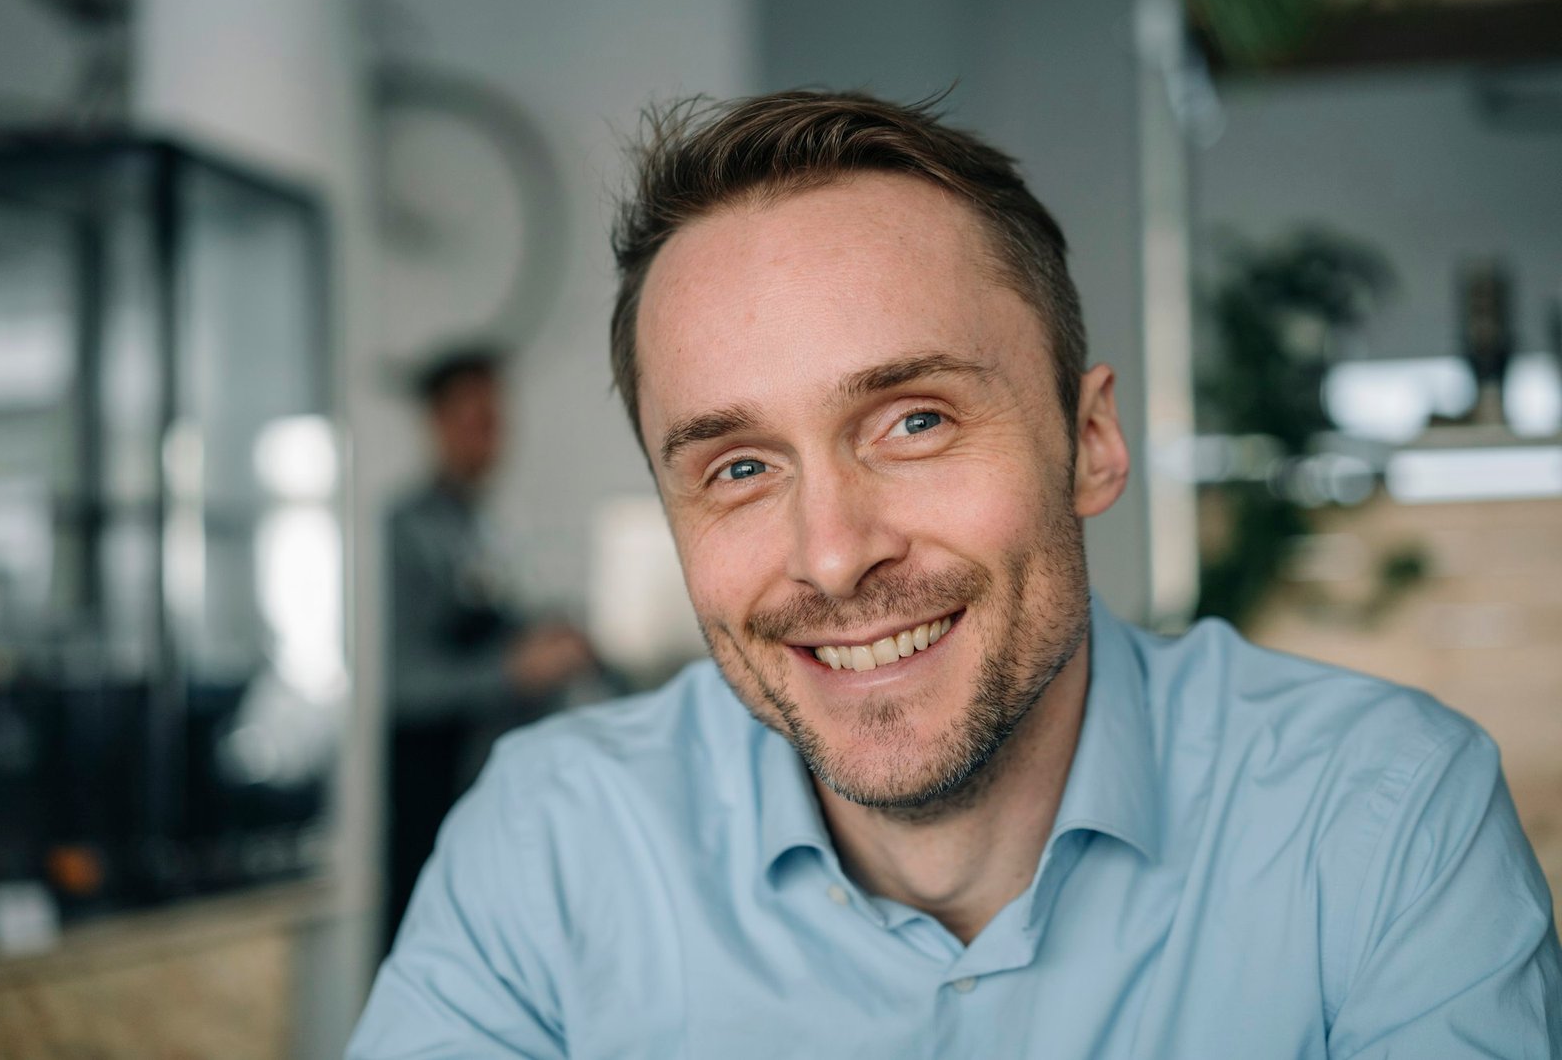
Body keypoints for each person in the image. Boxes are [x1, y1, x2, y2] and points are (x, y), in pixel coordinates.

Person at [350, 93, 1562, 1058]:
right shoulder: (548, 841)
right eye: (738, 466)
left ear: (1088, 440)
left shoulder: (1381, 817)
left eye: (913, 420)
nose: (832, 552)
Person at [382, 345, 597, 947]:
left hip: (487, 793)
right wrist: (514, 671)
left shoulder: (485, 527)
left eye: (496, 421)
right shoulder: (405, 533)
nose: (490, 437)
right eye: (474, 420)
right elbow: (398, 684)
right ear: (437, 423)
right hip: (425, 794)